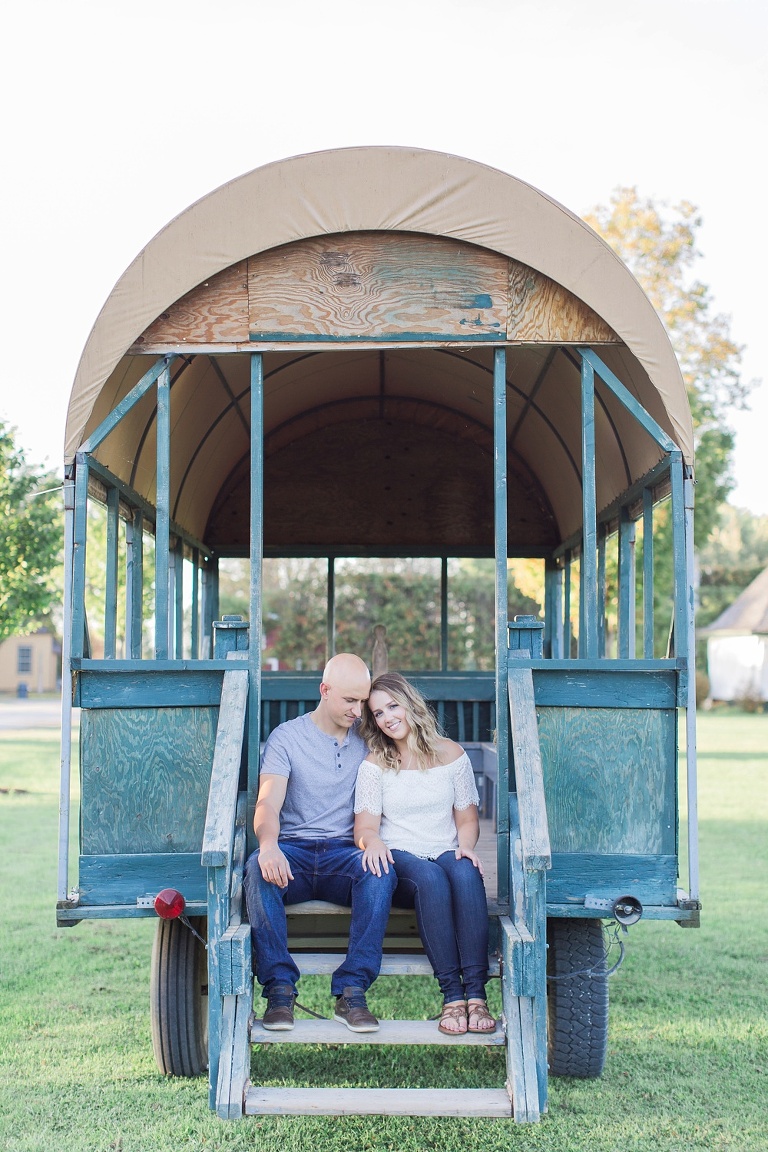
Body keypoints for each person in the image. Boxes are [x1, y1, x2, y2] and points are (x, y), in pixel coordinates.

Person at [243, 653, 397, 1033]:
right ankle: (279, 990)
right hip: (293, 851)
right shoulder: (287, 737)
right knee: (257, 870)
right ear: (324, 690)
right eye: (350, 700)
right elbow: (268, 804)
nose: (358, 711)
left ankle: (352, 990)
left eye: (363, 701)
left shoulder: (369, 739)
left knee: (380, 872)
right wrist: (269, 845)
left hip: (344, 854)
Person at [354, 671, 496, 1035]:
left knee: (465, 871)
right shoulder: (375, 763)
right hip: (398, 856)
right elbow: (365, 829)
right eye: (378, 713)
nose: (387, 718)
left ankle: (476, 995)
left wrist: (466, 847)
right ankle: (452, 996)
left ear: (410, 704)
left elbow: (467, 819)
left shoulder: (452, 754)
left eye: (392, 706)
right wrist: (373, 842)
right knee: (431, 878)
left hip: (444, 847)